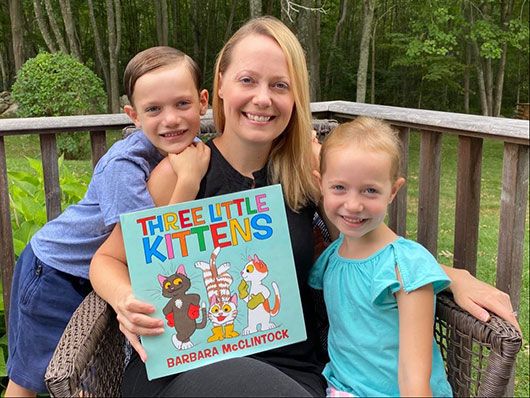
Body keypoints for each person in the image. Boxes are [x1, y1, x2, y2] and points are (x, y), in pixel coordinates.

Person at [90, 16, 519, 397]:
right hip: (185, 367)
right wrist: (125, 298)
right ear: (218, 85)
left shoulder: (308, 169)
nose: (263, 99)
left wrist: (452, 275)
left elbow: (369, 247)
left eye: (280, 85)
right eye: (247, 80)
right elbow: (107, 260)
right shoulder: (181, 171)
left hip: (293, 368)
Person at [5, 46, 210, 397]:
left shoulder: (186, 150)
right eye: (153, 109)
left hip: (92, 272)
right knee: (29, 379)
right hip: (55, 271)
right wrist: (188, 183)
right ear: (134, 115)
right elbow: (147, 245)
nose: (171, 119)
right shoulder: (124, 167)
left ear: (203, 102)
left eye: (182, 104)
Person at [308, 117, 453, 397]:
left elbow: (414, 376)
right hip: (341, 387)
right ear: (321, 184)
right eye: (339, 188)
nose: (353, 204)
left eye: (370, 190)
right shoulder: (328, 259)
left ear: (393, 191)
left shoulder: (404, 266)